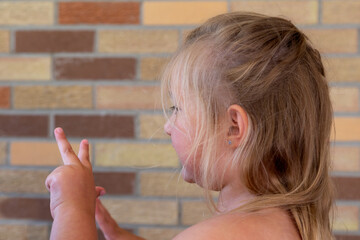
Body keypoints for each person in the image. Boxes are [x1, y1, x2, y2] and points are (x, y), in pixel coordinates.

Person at [45, 12, 335, 240]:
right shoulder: (286, 225)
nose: (169, 126)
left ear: (233, 127)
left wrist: (71, 210)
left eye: (177, 109)